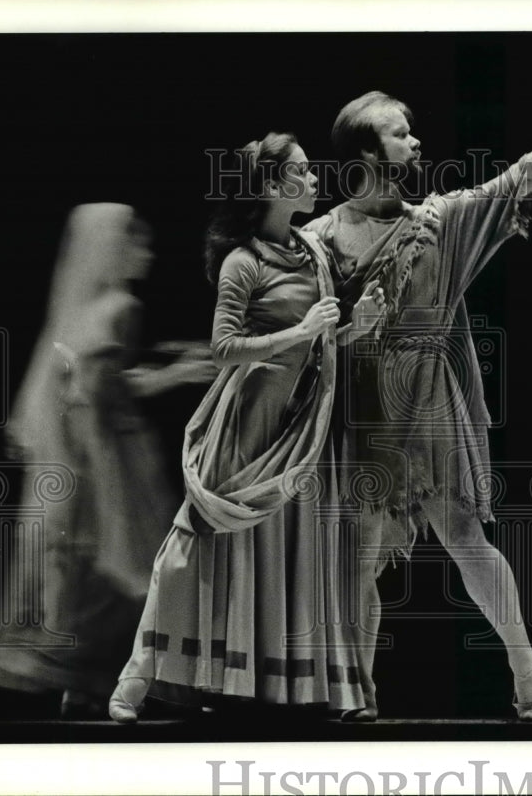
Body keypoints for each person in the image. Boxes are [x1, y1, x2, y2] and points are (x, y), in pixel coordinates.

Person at [303, 67, 532, 721]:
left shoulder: (437, 223)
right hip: (363, 407)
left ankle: (526, 670)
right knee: (359, 553)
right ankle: (357, 693)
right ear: (368, 154)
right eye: (400, 133)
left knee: (464, 538)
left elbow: (521, 177)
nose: (416, 143)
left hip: (428, 401)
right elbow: (293, 338)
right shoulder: (317, 242)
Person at [108, 133, 385, 723]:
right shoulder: (245, 261)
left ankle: (305, 689)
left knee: (293, 552)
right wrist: (302, 331)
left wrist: (354, 327)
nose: (314, 180)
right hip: (247, 423)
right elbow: (225, 347)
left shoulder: (313, 252)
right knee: (195, 545)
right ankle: (137, 674)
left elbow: (320, 342)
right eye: (303, 172)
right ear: (269, 185)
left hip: (300, 423)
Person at [0, 203, 216, 717]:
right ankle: (148, 684)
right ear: (113, 249)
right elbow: (106, 395)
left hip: (84, 454)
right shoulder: (119, 306)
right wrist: (180, 373)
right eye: (138, 244)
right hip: (111, 454)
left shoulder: (79, 312)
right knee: (145, 563)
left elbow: (94, 387)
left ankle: (88, 684)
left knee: (99, 570)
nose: (148, 255)